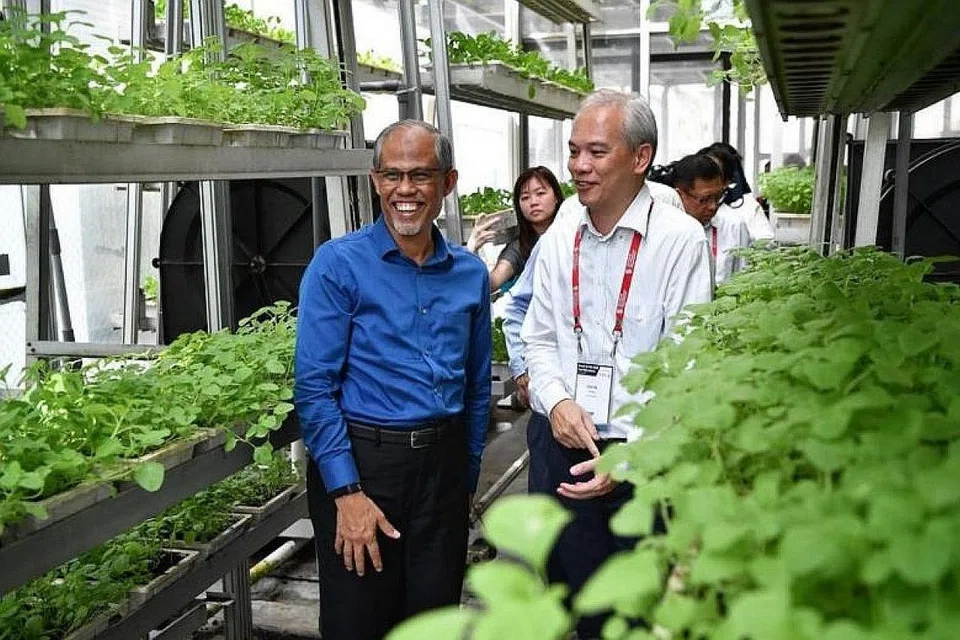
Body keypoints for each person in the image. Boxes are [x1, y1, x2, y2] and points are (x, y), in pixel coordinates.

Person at [522, 90, 713, 638]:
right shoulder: (561, 233)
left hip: (642, 461)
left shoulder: (679, 242)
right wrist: (556, 400)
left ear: (640, 157)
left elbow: (687, 363)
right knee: (575, 602)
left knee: (637, 606)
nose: (579, 166)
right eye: (574, 151)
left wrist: (628, 456)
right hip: (564, 448)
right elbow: (539, 337)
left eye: (596, 152)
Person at [294, 120, 492, 640]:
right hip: (365, 469)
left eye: (421, 176)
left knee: (433, 624)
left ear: (447, 183)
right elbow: (314, 388)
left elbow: (475, 388)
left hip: (442, 471)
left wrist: (466, 474)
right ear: (375, 180)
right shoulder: (338, 266)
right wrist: (346, 492)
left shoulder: (470, 275)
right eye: (393, 175)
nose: (406, 191)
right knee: (357, 622)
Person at [466, 166, 564, 291]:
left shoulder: (572, 232)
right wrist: (472, 250)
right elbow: (492, 283)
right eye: (525, 197)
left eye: (540, 193)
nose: (533, 202)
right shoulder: (520, 246)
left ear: (556, 197)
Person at [673, 153, 751, 285]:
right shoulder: (667, 231)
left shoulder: (734, 225)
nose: (713, 206)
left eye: (719, 197)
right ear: (679, 194)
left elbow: (743, 279)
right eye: (704, 199)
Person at [700, 142, 776, 244]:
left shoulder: (747, 206)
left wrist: (741, 237)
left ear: (727, 180)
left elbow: (767, 242)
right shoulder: (689, 202)